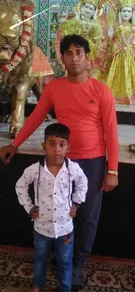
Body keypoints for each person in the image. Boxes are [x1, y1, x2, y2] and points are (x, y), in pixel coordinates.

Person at [0, 34, 119, 291]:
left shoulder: (101, 90)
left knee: (86, 217)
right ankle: (60, 255)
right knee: (58, 212)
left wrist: (112, 170)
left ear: (87, 58)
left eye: (79, 52)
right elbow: (34, 119)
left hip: (93, 163)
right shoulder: (55, 87)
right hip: (60, 163)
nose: (74, 57)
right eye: (69, 53)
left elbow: (112, 131)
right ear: (62, 58)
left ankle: (76, 264)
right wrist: (15, 143)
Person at [15, 123, 88, 292]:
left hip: (65, 229)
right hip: (41, 228)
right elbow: (20, 186)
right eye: (52, 144)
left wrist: (76, 203)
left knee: (65, 260)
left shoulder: (72, 169)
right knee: (40, 258)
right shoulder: (36, 170)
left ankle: (65, 288)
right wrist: (30, 207)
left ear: (68, 147)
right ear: (44, 146)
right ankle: (37, 285)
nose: (57, 149)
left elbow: (83, 184)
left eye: (62, 144)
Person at [106, 0, 135, 105]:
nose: (126, 13)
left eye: (129, 11)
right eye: (124, 11)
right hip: (117, 54)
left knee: (128, 75)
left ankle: (127, 95)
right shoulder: (116, 25)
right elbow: (110, 38)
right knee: (115, 75)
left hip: (129, 54)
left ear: (132, 12)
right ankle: (113, 96)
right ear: (120, 12)